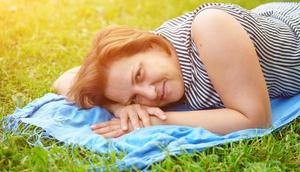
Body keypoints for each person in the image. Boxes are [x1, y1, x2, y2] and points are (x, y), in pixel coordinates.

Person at [53, 2, 300, 138]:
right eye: (135, 97)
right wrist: (121, 108)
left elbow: (256, 120)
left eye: (139, 75)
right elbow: (65, 80)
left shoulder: (212, 28)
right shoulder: (147, 61)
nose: (149, 95)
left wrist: (152, 122)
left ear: (152, 44)